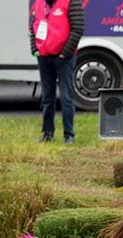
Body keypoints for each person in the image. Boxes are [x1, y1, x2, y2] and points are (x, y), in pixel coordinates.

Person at [29, 0, 84, 144]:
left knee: (66, 97)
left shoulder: (71, 2)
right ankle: (47, 133)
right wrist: (35, 49)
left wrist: (65, 53)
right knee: (47, 98)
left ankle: (69, 135)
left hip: (64, 58)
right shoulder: (39, 3)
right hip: (44, 57)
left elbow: (77, 28)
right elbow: (32, 26)